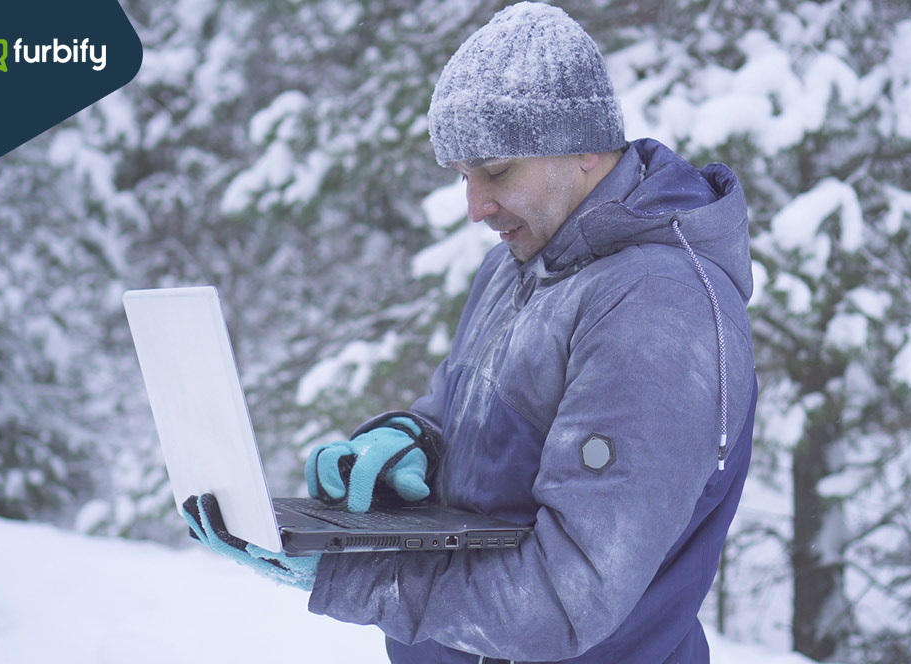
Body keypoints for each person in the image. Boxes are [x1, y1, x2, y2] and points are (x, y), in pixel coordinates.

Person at [184, 3, 756, 662]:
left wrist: (355, 575)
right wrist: (409, 445)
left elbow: (567, 597)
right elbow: (463, 419)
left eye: (497, 171)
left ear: (586, 145)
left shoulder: (661, 306)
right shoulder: (517, 267)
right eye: (464, 179)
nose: (476, 208)